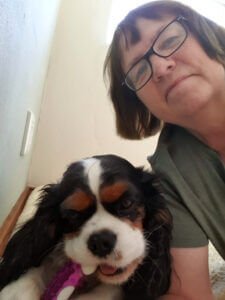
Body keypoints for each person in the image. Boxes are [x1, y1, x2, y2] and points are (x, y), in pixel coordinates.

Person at [104, 0, 225, 299]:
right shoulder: (170, 172)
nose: (159, 66)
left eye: (170, 40)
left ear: (208, 35)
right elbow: (188, 294)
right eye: (139, 69)